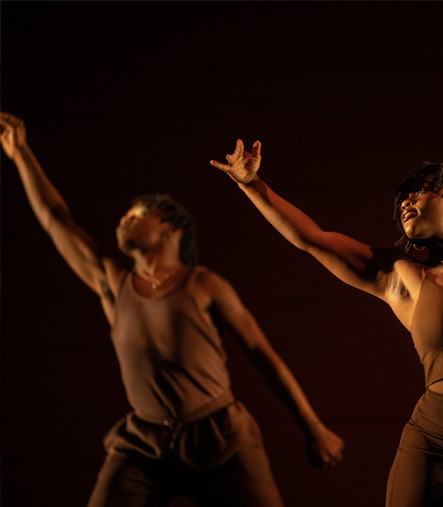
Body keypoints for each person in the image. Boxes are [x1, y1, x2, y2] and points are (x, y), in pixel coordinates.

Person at [210, 138, 443, 506]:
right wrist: (251, 183)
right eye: (402, 200)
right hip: (440, 445)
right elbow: (312, 238)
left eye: (421, 192)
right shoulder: (404, 276)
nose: (406, 203)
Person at [0, 111, 345, 507]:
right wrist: (21, 153)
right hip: (144, 444)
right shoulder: (113, 282)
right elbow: (54, 218)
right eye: (125, 215)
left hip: (221, 439)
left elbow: (262, 355)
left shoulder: (203, 284)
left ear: (170, 229)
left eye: (138, 214)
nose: (125, 219)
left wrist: (313, 427)